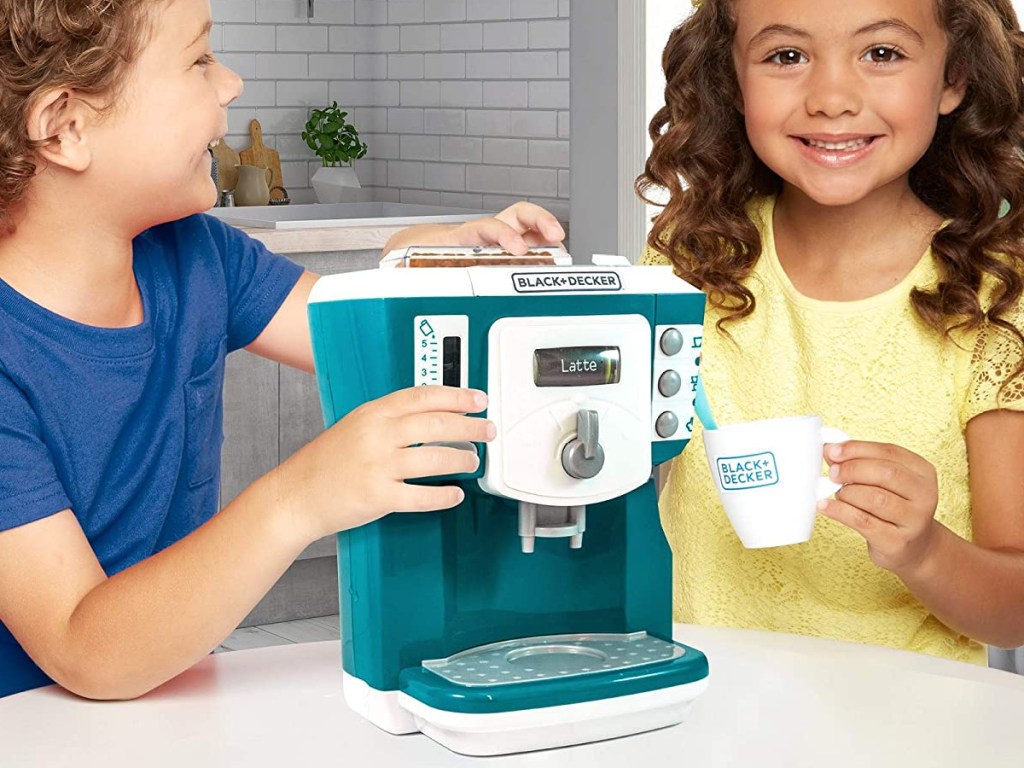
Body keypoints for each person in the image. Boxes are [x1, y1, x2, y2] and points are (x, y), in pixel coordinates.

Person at [390, 0, 1024, 665]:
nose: (832, 98)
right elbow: (600, 449)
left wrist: (926, 550)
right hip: (700, 701)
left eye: (882, 53)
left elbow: (1012, 613)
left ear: (953, 78)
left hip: (906, 729)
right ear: (732, 78)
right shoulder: (692, 259)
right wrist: (459, 277)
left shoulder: (998, 297)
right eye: (787, 56)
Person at [0, 0, 566, 700]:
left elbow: (361, 342)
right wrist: (299, 498)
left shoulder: (200, 257)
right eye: (198, 60)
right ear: (67, 126)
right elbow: (85, 650)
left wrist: (432, 270)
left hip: (173, 706)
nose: (231, 82)